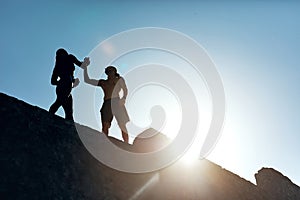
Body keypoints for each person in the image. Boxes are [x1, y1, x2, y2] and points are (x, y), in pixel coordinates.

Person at [83, 60, 130, 143]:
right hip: (107, 103)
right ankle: (104, 141)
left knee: (122, 124)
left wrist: (123, 98)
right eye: (108, 71)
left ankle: (126, 143)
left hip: (117, 102)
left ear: (114, 72)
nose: (109, 73)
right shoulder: (103, 82)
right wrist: (85, 67)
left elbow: (125, 89)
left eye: (111, 71)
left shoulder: (119, 79)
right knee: (105, 124)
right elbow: (87, 80)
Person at [49, 48, 89, 121]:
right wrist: (62, 82)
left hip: (68, 85)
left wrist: (72, 80)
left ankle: (68, 121)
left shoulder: (70, 58)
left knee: (66, 105)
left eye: (62, 53)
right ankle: (50, 116)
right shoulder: (57, 65)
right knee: (62, 102)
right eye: (59, 54)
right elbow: (53, 81)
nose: (61, 55)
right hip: (63, 85)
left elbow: (82, 65)